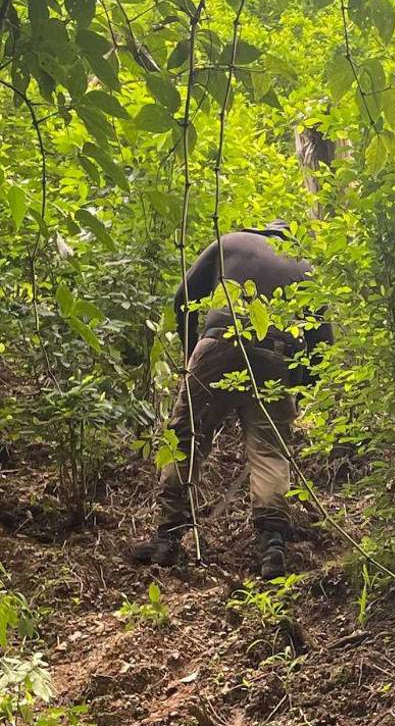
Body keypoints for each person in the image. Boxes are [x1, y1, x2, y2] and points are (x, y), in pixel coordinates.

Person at [131, 220, 333, 579]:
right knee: (270, 450)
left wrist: (194, 351)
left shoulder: (230, 242)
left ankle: (168, 536)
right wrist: (299, 389)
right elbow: (322, 342)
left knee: (186, 436)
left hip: (220, 339)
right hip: (278, 355)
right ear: (288, 237)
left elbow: (183, 298)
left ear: (260, 230)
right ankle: (272, 544)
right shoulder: (305, 265)